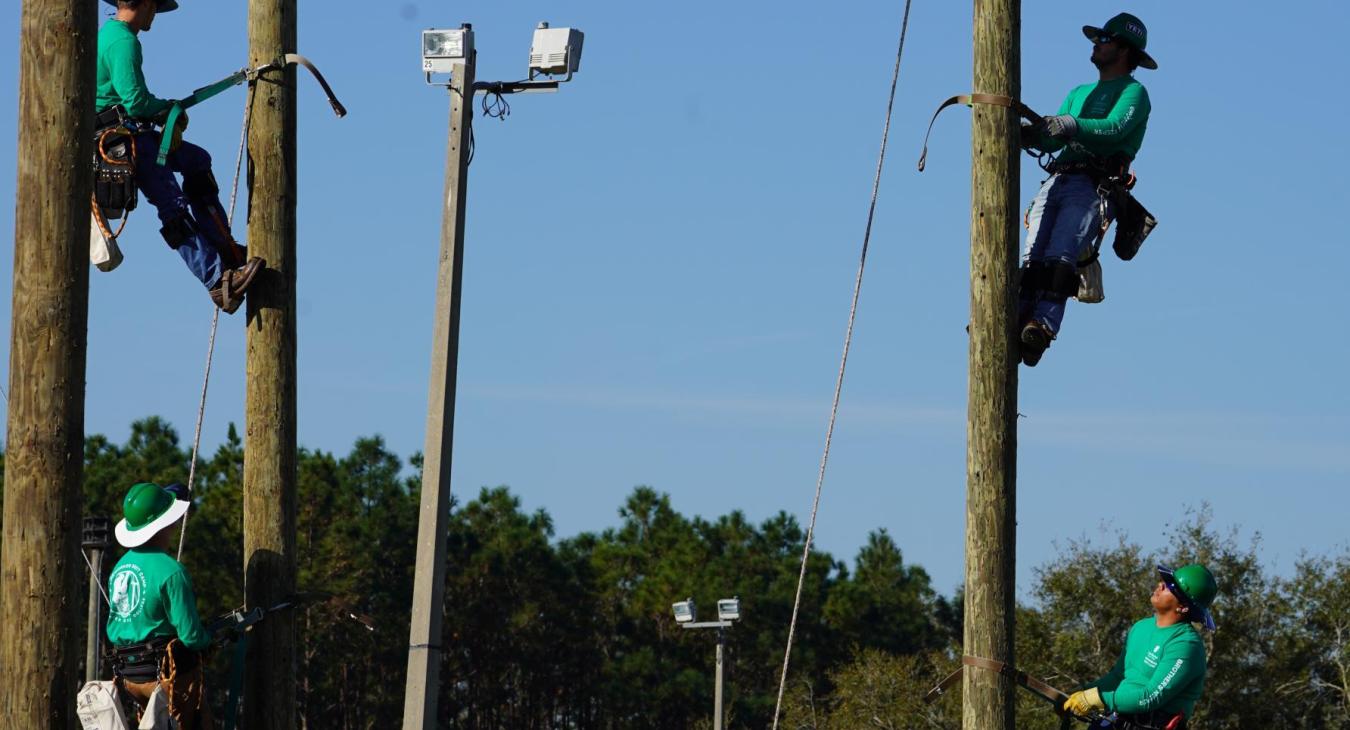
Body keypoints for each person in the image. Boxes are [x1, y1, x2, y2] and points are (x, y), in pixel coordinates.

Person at [96, 0, 262, 313]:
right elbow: (134, 101)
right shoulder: (122, 41)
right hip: (126, 139)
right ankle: (216, 281)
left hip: (131, 134)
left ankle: (225, 250)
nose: (155, 15)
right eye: (154, 8)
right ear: (144, 4)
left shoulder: (111, 35)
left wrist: (165, 111)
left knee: (196, 160)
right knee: (172, 205)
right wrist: (167, 110)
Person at [1017, 12, 1155, 366]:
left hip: (1093, 186)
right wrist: (1029, 135)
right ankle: (1014, 317)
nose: (1096, 44)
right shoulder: (1078, 93)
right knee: (1032, 255)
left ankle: (1041, 326)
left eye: (1105, 39)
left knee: (1060, 256)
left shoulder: (1134, 94)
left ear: (1124, 50)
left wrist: (1072, 125)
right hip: (1059, 177)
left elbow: (1112, 128)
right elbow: (1052, 139)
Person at [107, 482, 214, 729]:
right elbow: (192, 636)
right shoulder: (172, 572)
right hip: (166, 678)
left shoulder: (120, 567)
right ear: (164, 524)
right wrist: (211, 639)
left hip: (130, 679)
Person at [1063, 564, 1218, 729]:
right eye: (1164, 581)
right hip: (1115, 720)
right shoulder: (1141, 627)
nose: (1161, 585)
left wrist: (1099, 699)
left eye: (1170, 586)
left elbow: (1150, 698)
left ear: (1184, 606)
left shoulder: (1185, 645)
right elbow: (1118, 676)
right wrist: (1079, 695)